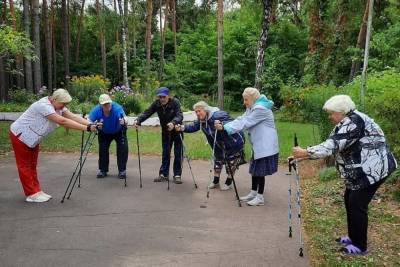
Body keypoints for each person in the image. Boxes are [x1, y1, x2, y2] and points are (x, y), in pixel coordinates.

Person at [292, 94, 397, 255]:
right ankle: (353, 237)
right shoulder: (347, 121)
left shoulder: (354, 122)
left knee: (356, 204)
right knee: (350, 199)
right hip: (362, 171)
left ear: (342, 111)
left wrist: (305, 151)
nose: (329, 116)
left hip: (374, 170)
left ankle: (360, 246)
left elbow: (333, 145)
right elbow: (335, 145)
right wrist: (303, 156)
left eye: (332, 113)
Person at [9, 89, 98, 203]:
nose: (64, 106)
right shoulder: (43, 106)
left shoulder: (58, 106)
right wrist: (87, 128)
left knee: (32, 164)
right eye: (63, 104)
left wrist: (91, 124)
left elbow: (73, 117)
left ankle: (36, 191)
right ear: (54, 99)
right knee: (25, 165)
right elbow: (62, 121)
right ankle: (31, 194)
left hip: (32, 138)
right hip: (20, 135)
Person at [215, 87, 279, 206]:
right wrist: (224, 124)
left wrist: (225, 128)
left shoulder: (260, 109)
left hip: (265, 145)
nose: (244, 102)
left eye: (246, 100)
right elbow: (241, 119)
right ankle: (253, 193)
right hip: (259, 145)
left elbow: (245, 123)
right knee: (255, 170)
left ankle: (260, 197)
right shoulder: (252, 108)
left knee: (260, 171)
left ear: (253, 99)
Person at [175, 101, 245, 190]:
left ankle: (228, 183)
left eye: (199, 111)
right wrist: (182, 128)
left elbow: (233, 123)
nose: (197, 113)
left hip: (233, 142)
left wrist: (222, 125)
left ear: (206, 110)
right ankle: (216, 182)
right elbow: (193, 127)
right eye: (196, 112)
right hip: (218, 144)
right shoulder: (201, 120)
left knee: (231, 164)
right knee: (218, 162)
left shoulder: (218, 115)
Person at [134, 87, 184, 184]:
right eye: (160, 97)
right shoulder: (156, 104)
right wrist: (138, 120)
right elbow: (147, 112)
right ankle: (163, 174)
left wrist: (173, 123)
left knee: (178, 153)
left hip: (177, 131)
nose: (162, 99)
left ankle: (177, 175)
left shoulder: (175, 102)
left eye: (163, 97)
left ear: (168, 96)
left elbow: (180, 115)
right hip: (166, 132)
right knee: (165, 153)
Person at [89, 94, 129, 179]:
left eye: (108, 103)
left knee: (122, 149)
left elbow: (125, 118)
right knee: (103, 150)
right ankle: (103, 170)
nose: (107, 105)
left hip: (118, 131)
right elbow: (88, 121)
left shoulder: (116, 108)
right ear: (100, 105)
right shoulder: (96, 110)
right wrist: (95, 124)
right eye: (104, 104)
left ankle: (122, 171)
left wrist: (124, 121)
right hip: (104, 132)